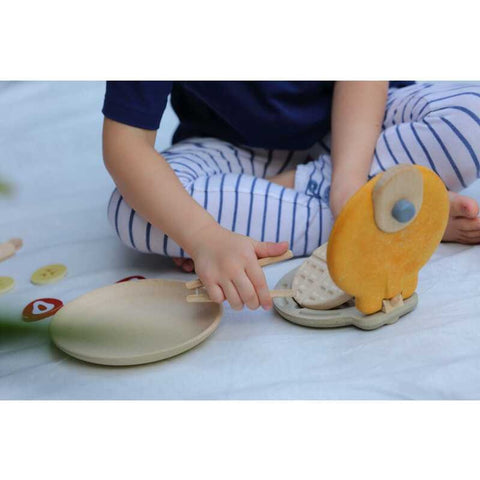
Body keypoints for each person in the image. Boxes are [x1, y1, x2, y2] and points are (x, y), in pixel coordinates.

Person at [102, 81, 480, 311]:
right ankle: (396, 209)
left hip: (356, 128)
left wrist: (347, 183)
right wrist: (203, 237)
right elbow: (126, 146)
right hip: (232, 150)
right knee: (130, 210)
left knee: (471, 114)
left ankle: (356, 199)